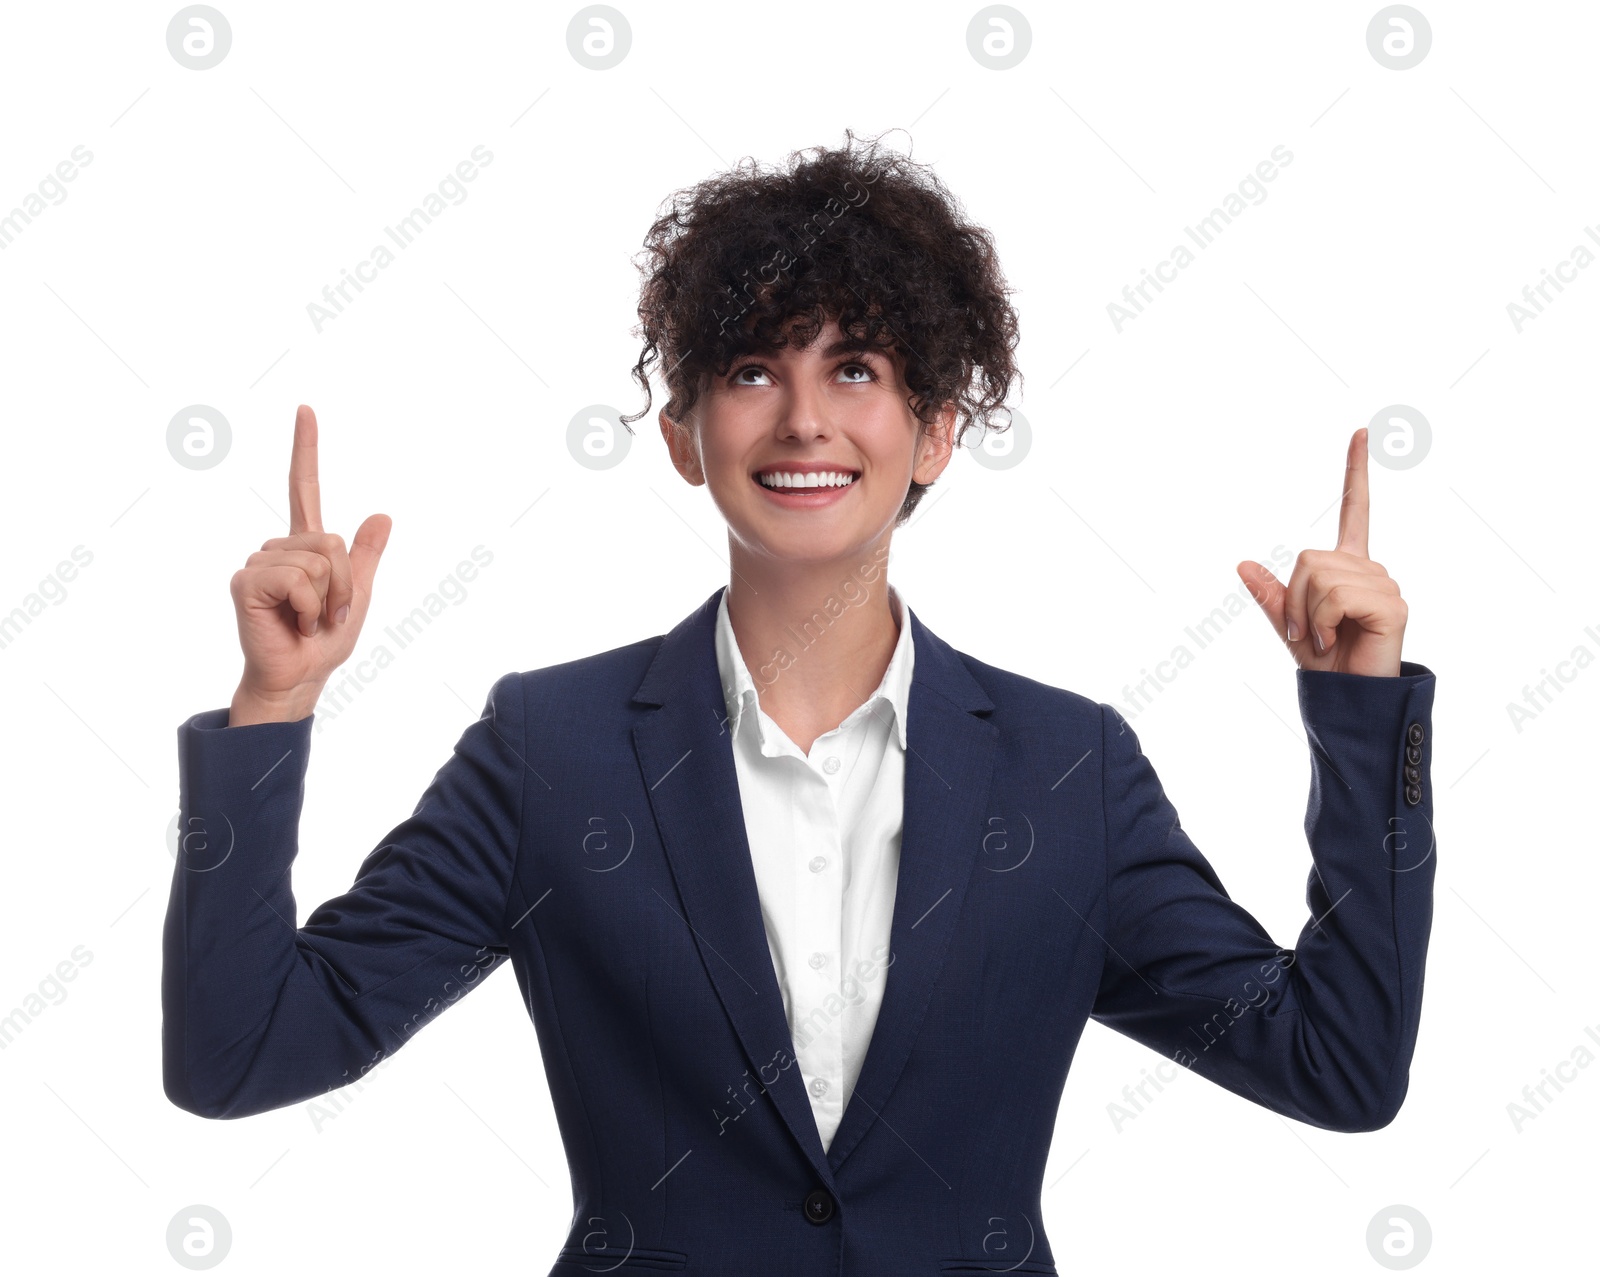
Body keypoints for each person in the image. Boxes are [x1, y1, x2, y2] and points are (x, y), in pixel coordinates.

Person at [164, 133, 1436, 1276]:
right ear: (681, 434)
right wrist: (273, 706)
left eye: (859, 367)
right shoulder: (547, 750)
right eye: (754, 368)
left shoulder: (1068, 769)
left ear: (937, 428)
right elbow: (242, 1052)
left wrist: (1357, 708)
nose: (806, 418)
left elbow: (1335, 1062)